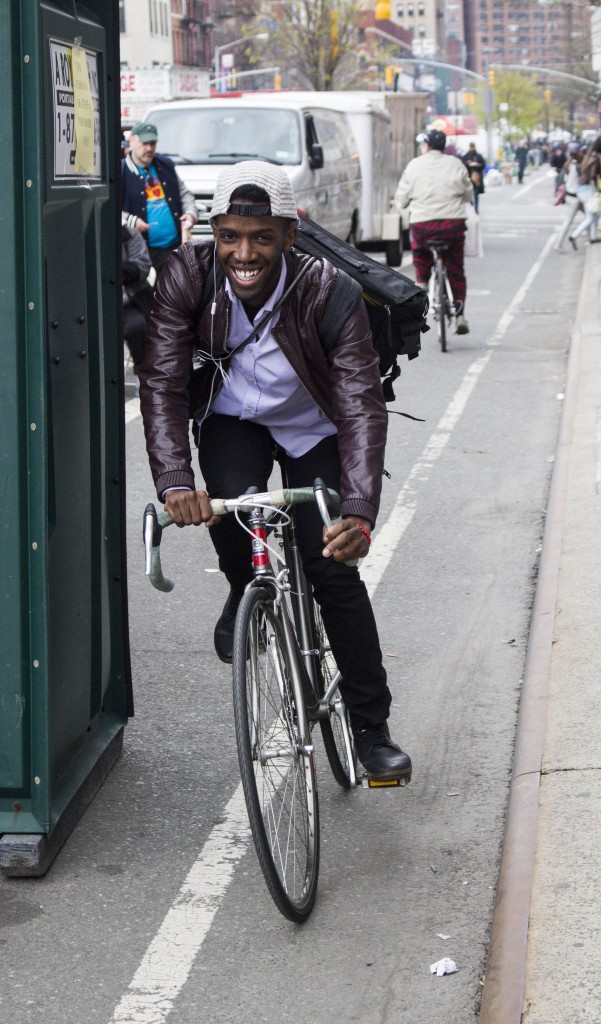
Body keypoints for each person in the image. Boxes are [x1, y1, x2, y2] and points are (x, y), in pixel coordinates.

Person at [138, 161, 412, 785]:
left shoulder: (327, 288)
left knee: (332, 566)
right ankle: (244, 589)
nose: (244, 252)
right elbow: (161, 383)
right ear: (213, 233)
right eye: (230, 235)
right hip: (232, 418)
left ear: (290, 234)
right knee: (231, 506)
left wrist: (361, 512)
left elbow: (362, 403)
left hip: (314, 423)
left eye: (261, 236)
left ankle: (372, 730)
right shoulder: (185, 274)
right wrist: (176, 478)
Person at [394, 128, 473, 334]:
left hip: (423, 225)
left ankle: (423, 281)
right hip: (452, 224)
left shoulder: (414, 165)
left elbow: (402, 199)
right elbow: (467, 195)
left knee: (420, 252)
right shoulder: (456, 164)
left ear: (426, 146)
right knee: (455, 267)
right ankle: (461, 313)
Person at [122, 121, 198, 274]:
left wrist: (190, 213)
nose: (149, 148)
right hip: (142, 254)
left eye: (153, 143)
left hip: (175, 247)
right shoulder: (120, 171)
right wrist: (131, 221)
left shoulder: (165, 165)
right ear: (131, 141)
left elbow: (184, 194)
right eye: (144, 143)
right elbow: (107, 209)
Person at [121, 224, 154, 371]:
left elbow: (141, 267)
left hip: (129, 302)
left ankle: (143, 372)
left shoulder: (128, 233)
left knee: (138, 326)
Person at [568, 137, 601, 249]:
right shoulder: (595, 157)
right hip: (588, 189)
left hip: (582, 188)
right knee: (591, 216)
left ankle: (592, 236)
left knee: (593, 215)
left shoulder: (589, 155)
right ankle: (574, 235)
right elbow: (592, 175)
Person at [555, 146, 585, 253]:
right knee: (568, 221)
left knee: (591, 216)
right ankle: (559, 244)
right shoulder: (576, 166)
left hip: (570, 196)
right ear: (578, 152)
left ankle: (587, 235)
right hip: (575, 197)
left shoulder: (568, 164)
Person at [462, 142, 486, 212]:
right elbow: (462, 164)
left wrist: (477, 165)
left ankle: (476, 208)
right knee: (469, 193)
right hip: (468, 177)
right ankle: (472, 205)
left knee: (476, 194)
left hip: (477, 177)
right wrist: (467, 163)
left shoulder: (478, 156)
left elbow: (483, 164)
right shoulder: (466, 156)